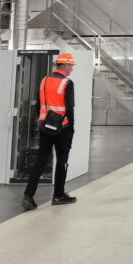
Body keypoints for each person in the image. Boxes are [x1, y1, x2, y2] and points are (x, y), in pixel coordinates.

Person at [22, 52, 77, 210]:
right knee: (61, 161)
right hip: (62, 128)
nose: (71, 69)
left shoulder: (44, 80)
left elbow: (39, 104)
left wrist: (40, 122)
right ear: (64, 65)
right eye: (71, 66)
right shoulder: (67, 83)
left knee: (40, 160)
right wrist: (71, 128)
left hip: (45, 126)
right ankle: (58, 195)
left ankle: (28, 196)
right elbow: (69, 108)